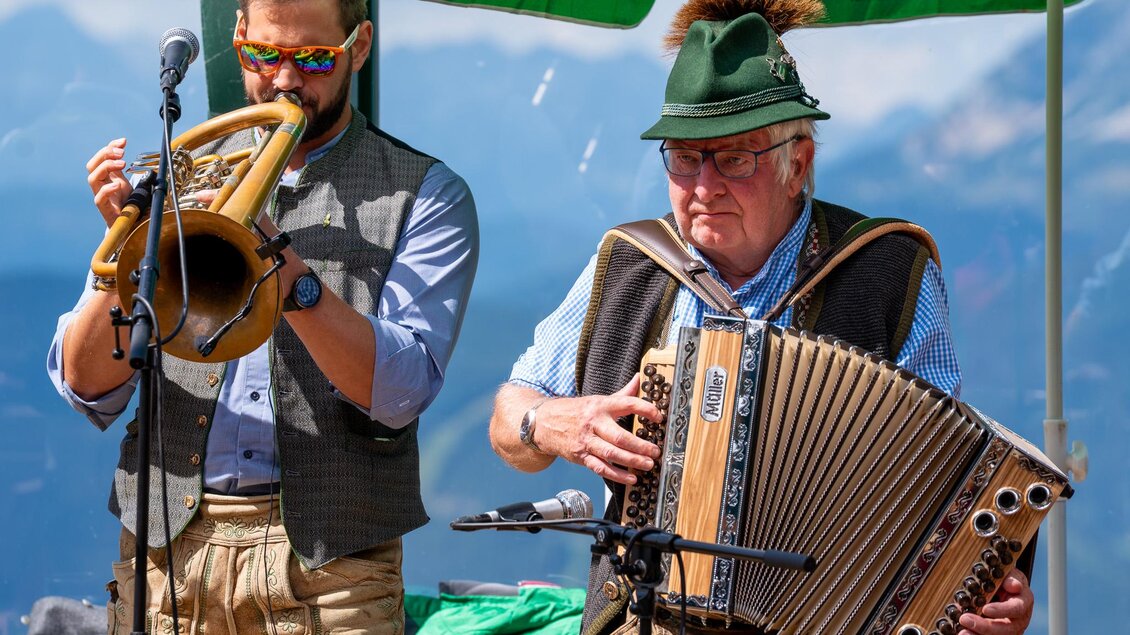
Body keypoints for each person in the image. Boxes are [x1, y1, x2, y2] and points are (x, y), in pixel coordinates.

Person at [487, 1, 1032, 635]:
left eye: (735, 159)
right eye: (685, 158)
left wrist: (985, 591)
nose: (704, 186)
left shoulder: (887, 271)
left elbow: (945, 485)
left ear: (797, 162)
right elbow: (507, 421)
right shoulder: (630, 265)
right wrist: (559, 424)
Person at [47, 0, 478, 633]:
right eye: (263, 55)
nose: (283, 80)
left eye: (312, 59)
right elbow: (85, 386)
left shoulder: (426, 193)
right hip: (167, 564)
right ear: (240, 37)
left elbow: (400, 392)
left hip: (333, 578)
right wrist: (131, 252)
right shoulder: (177, 179)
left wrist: (283, 270)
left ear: (359, 49)